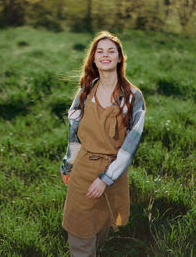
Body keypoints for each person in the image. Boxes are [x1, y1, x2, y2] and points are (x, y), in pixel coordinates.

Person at [60, 31, 146, 256]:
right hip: (84, 167)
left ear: (119, 58)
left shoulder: (132, 97)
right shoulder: (84, 92)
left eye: (111, 51)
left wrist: (106, 179)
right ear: (94, 58)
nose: (105, 55)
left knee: (100, 225)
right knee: (80, 230)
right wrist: (68, 166)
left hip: (114, 172)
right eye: (100, 51)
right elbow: (74, 135)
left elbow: (130, 145)